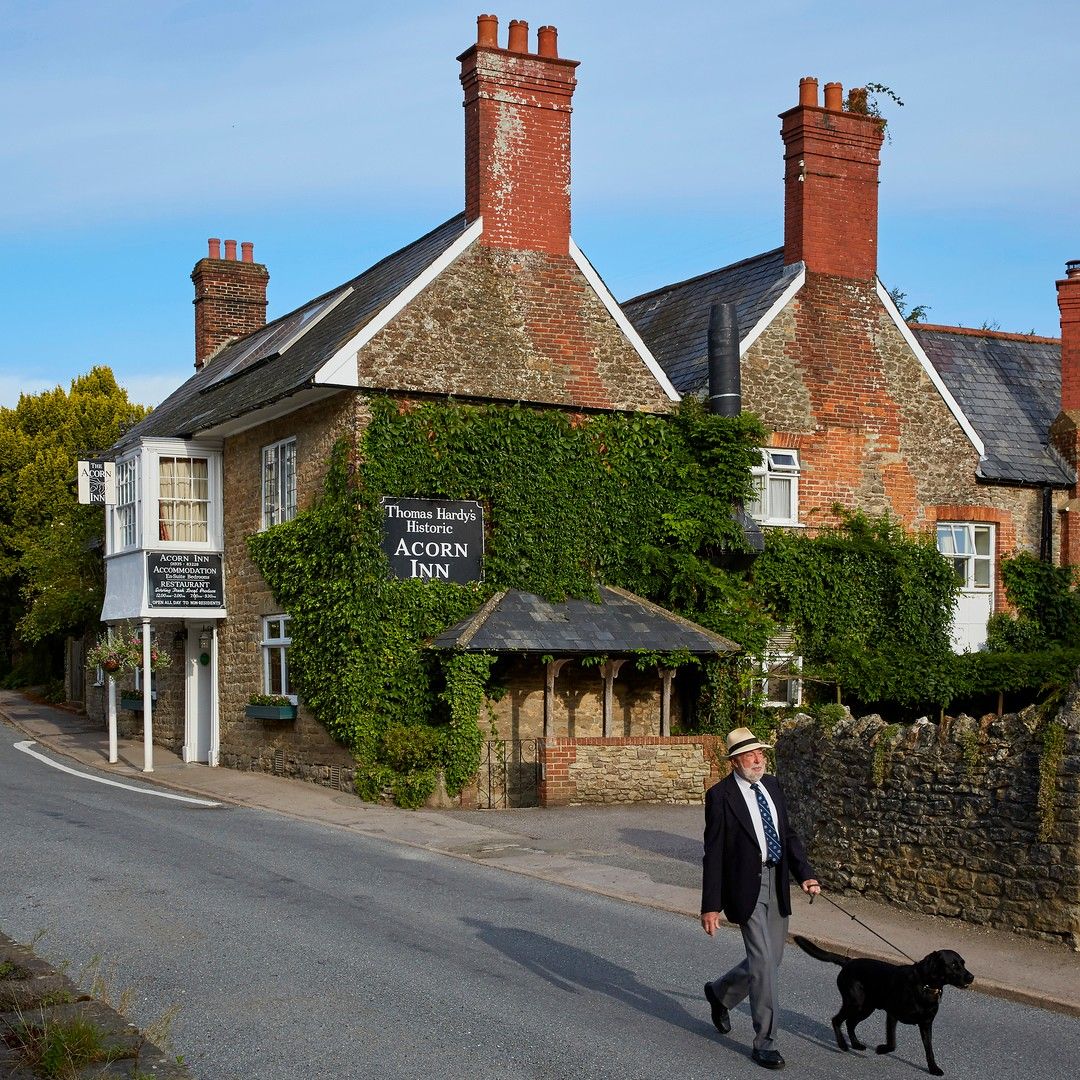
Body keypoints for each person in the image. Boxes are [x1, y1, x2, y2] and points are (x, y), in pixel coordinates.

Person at [701, 726, 820, 1071]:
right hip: (744, 887)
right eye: (751, 754)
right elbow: (714, 852)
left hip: (777, 881)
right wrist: (711, 905)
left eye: (761, 753)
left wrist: (806, 874)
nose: (758, 759)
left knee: (771, 960)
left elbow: (789, 835)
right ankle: (765, 1042)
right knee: (764, 966)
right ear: (735, 761)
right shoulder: (720, 796)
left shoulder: (773, 786)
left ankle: (721, 992)